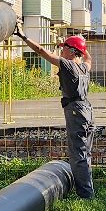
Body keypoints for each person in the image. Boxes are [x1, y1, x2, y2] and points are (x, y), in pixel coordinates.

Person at [17, 29, 98, 200]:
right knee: (85, 153)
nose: (61, 51)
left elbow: (41, 51)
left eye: (64, 48)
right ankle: (87, 190)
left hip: (76, 111)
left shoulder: (68, 65)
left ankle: (86, 196)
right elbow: (88, 58)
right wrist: (82, 46)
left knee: (77, 155)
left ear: (71, 51)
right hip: (87, 110)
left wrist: (24, 36)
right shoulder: (84, 67)